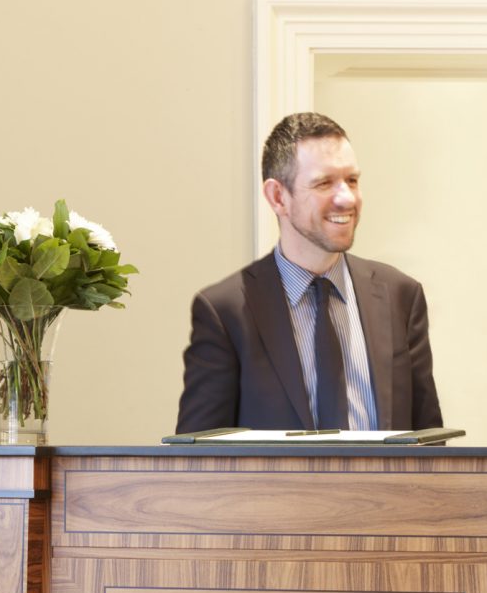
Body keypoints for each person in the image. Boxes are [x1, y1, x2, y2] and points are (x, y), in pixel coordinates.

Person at [175, 112, 442, 434]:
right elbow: (199, 454)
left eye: (352, 180)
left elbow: (429, 442)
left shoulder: (400, 295)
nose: (346, 198)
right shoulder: (224, 312)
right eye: (324, 183)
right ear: (278, 197)